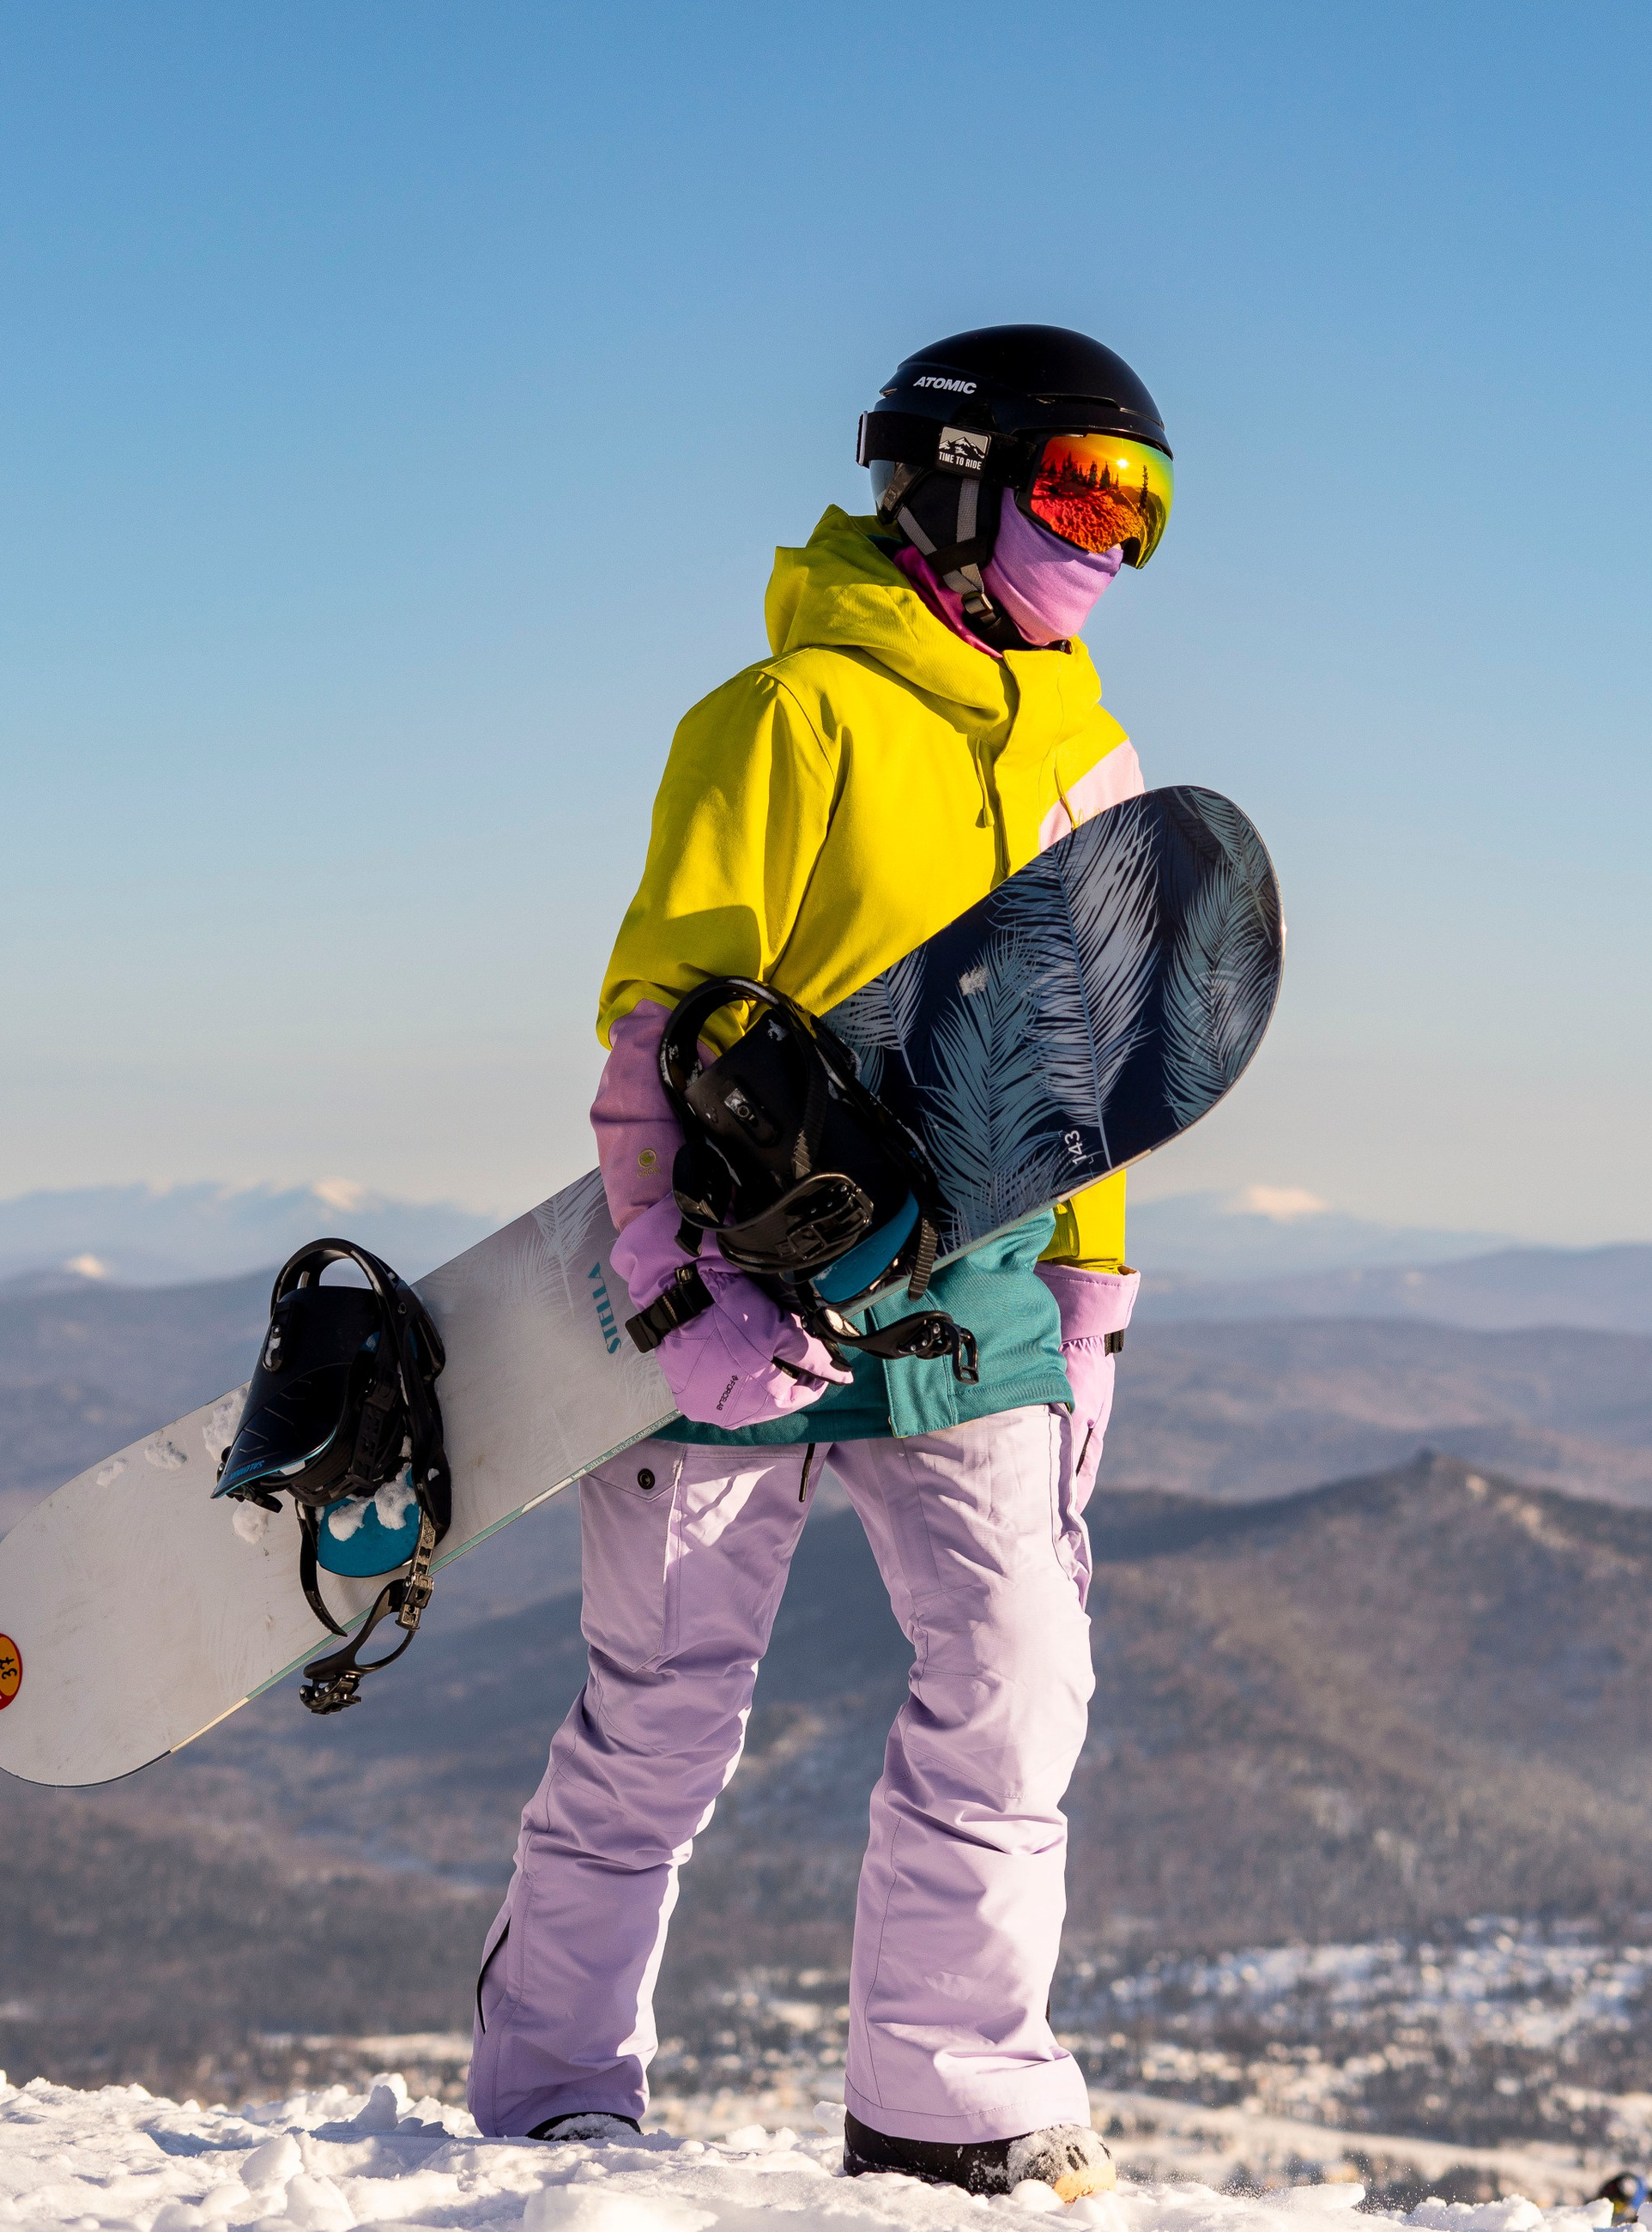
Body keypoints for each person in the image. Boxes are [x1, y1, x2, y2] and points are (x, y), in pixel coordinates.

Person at [469, 324, 1174, 2199]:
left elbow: (1092, 1075)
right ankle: (552, 2093)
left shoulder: (1091, 760)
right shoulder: (779, 720)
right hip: (745, 1279)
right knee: (665, 1711)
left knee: (1021, 1684)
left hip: (977, 1300)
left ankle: (949, 2100)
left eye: (1141, 509)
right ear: (953, 481)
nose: (1107, 542)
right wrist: (666, 1279)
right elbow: (655, 1023)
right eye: (1078, 489)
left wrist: (1090, 1306)